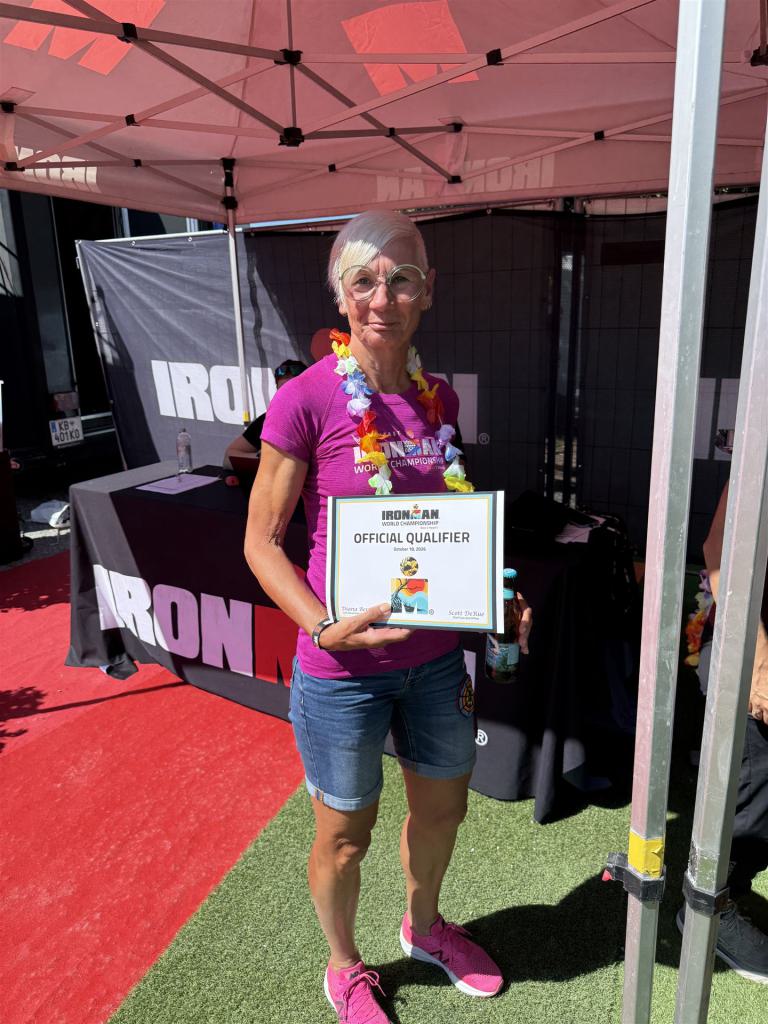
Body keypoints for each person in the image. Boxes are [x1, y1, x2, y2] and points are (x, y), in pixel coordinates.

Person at [244, 209, 532, 1023]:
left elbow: (443, 528)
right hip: (342, 674)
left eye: (401, 278)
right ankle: (344, 966)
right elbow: (261, 542)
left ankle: (425, 928)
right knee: (345, 838)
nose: (383, 297)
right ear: (341, 295)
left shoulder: (438, 399)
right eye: (364, 280)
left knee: (444, 810)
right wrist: (320, 624)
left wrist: (493, 592)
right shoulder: (303, 399)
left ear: (427, 291)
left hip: (437, 665)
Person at [679, 479, 768, 984]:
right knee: (753, 790)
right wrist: (757, 656)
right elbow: (719, 548)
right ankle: (710, 909)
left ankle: (729, 889)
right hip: (750, 644)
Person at [223, 358, 307, 471]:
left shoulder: (320, 420)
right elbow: (228, 457)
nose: (287, 396)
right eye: (282, 391)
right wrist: (262, 458)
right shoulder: (267, 420)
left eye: (292, 390)